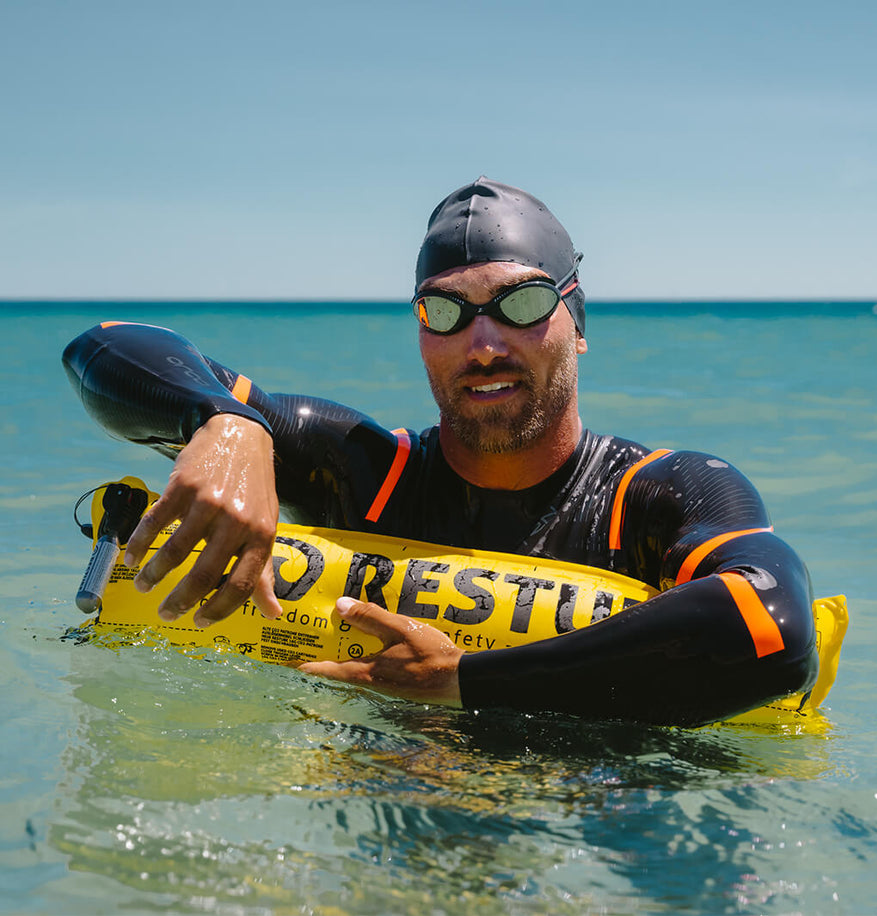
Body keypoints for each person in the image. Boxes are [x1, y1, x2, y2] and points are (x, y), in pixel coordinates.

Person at [63, 177, 817, 725]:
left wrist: (467, 682)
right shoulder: (364, 473)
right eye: (446, 312)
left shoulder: (656, 497)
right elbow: (100, 348)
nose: (482, 344)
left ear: (577, 323)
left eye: (521, 304)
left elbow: (772, 630)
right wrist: (225, 422)